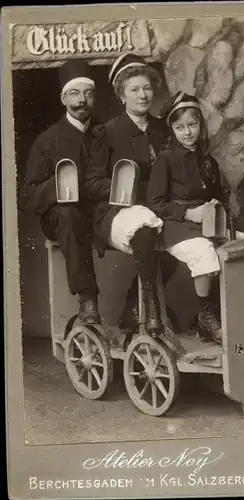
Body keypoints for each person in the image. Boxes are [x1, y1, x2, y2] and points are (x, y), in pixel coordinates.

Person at [147, 91, 244, 344]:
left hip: (212, 221)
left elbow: (220, 199)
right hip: (177, 225)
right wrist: (187, 212)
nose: (187, 132)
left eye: (192, 125)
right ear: (172, 129)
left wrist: (224, 214)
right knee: (205, 250)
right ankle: (206, 315)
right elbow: (154, 203)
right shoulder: (166, 159)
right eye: (180, 127)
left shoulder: (208, 161)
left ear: (200, 125)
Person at [85, 53, 179, 338]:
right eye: (134, 89)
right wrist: (121, 189)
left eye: (147, 88)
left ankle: (132, 305)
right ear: (122, 95)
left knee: (181, 238)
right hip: (117, 212)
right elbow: (91, 183)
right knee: (145, 229)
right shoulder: (108, 132)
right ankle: (150, 308)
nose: (143, 95)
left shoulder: (163, 129)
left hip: (157, 207)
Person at [21, 59, 105, 325]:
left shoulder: (106, 132)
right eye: (75, 93)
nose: (82, 101)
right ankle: (87, 298)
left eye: (88, 94)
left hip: (100, 214)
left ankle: (135, 307)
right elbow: (29, 197)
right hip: (60, 218)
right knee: (68, 214)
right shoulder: (47, 140)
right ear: (63, 98)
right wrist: (57, 187)